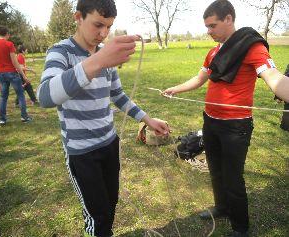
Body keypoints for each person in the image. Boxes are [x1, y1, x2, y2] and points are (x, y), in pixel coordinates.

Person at [37, 0, 170, 236]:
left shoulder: (104, 56)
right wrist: (99, 60)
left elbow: (117, 95)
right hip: (82, 153)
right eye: (98, 24)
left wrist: (147, 119)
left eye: (109, 27)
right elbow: (46, 96)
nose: (103, 33)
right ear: (78, 17)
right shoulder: (61, 52)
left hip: (109, 144)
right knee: (97, 216)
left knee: (110, 205)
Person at [162, 0, 289, 236]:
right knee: (215, 170)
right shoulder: (213, 52)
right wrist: (175, 89)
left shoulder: (252, 47)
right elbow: (199, 79)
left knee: (232, 178)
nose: (208, 31)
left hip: (235, 127)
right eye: (207, 27)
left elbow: (274, 78)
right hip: (210, 121)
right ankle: (222, 207)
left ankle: (241, 228)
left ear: (229, 19)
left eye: (212, 26)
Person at [0, 26, 32, 125]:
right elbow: (15, 62)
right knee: (20, 95)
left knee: (3, 97)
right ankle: (24, 117)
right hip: (12, 73)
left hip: (1, 74)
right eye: (9, 34)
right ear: (7, 34)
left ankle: (2, 119)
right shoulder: (9, 44)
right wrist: (24, 76)